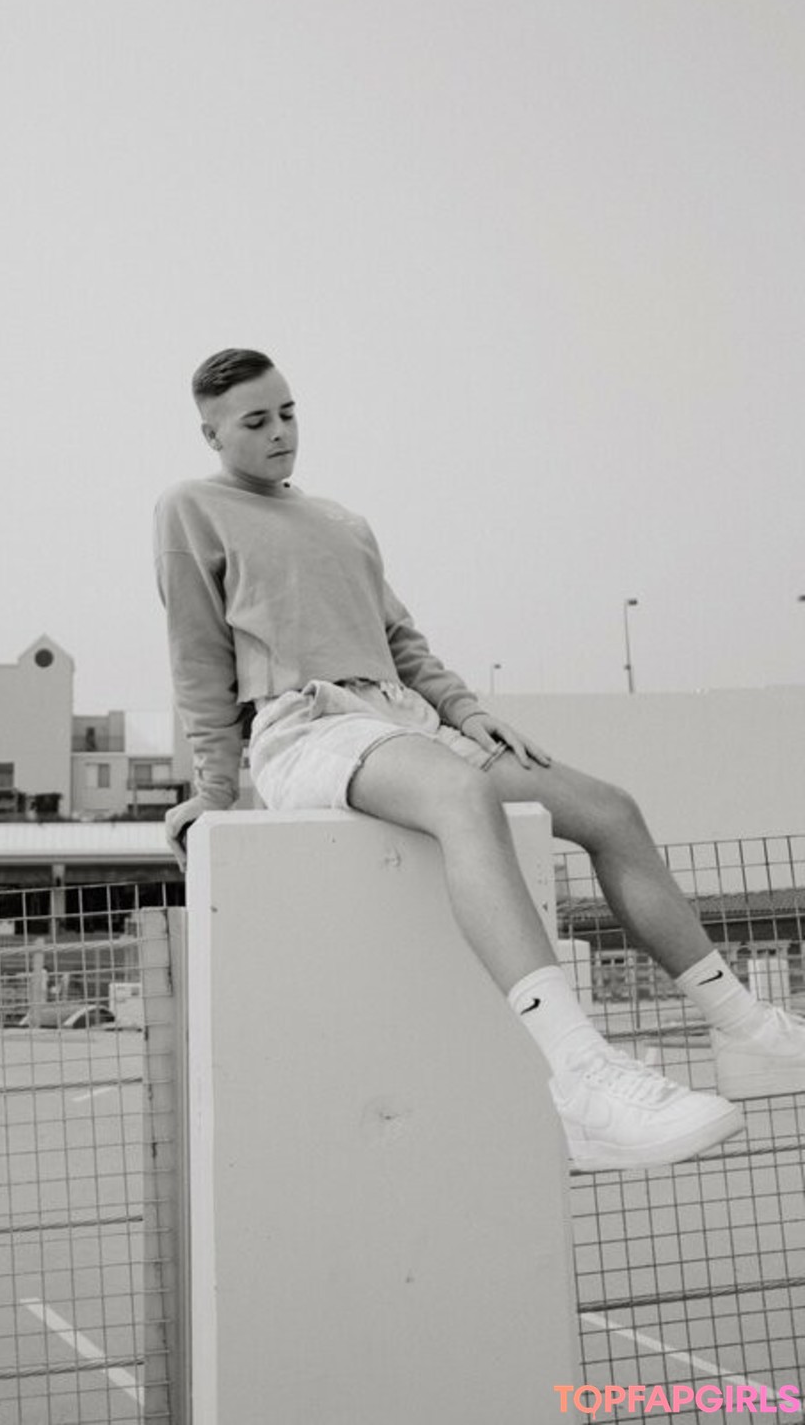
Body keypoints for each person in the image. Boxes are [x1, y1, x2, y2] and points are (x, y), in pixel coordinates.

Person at [154, 348, 805, 1171]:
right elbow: (197, 658)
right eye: (256, 421)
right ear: (211, 433)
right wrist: (215, 788)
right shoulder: (191, 508)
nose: (281, 431)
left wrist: (471, 713)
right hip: (304, 725)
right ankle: (584, 1078)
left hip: (406, 717)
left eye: (288, 412)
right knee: (462, 795)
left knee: (609, 809)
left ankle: (744, 1029)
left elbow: (403, 643)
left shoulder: (343, 522)